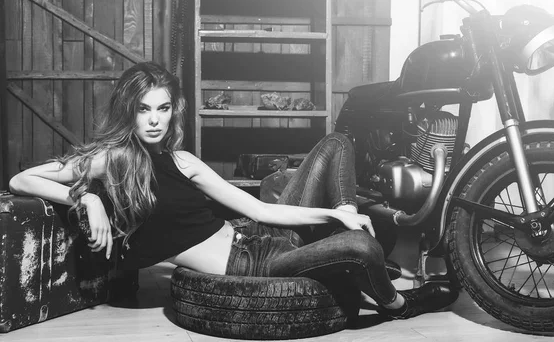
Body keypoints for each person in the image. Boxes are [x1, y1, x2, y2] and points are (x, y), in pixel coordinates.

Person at [9, 61, 457, 320]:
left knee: (338, 143)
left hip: (256, 235)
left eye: (163, 108)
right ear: (131, 111)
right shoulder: (112, 160)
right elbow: (21, 179)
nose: (154, 120)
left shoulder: (183, 161)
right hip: (252, 265)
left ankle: (345, 216)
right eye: (144, 109)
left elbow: (257, 208)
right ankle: (399, 305)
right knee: (363, 247)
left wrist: (337, 214)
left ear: (172, 112)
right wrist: (85, 197)